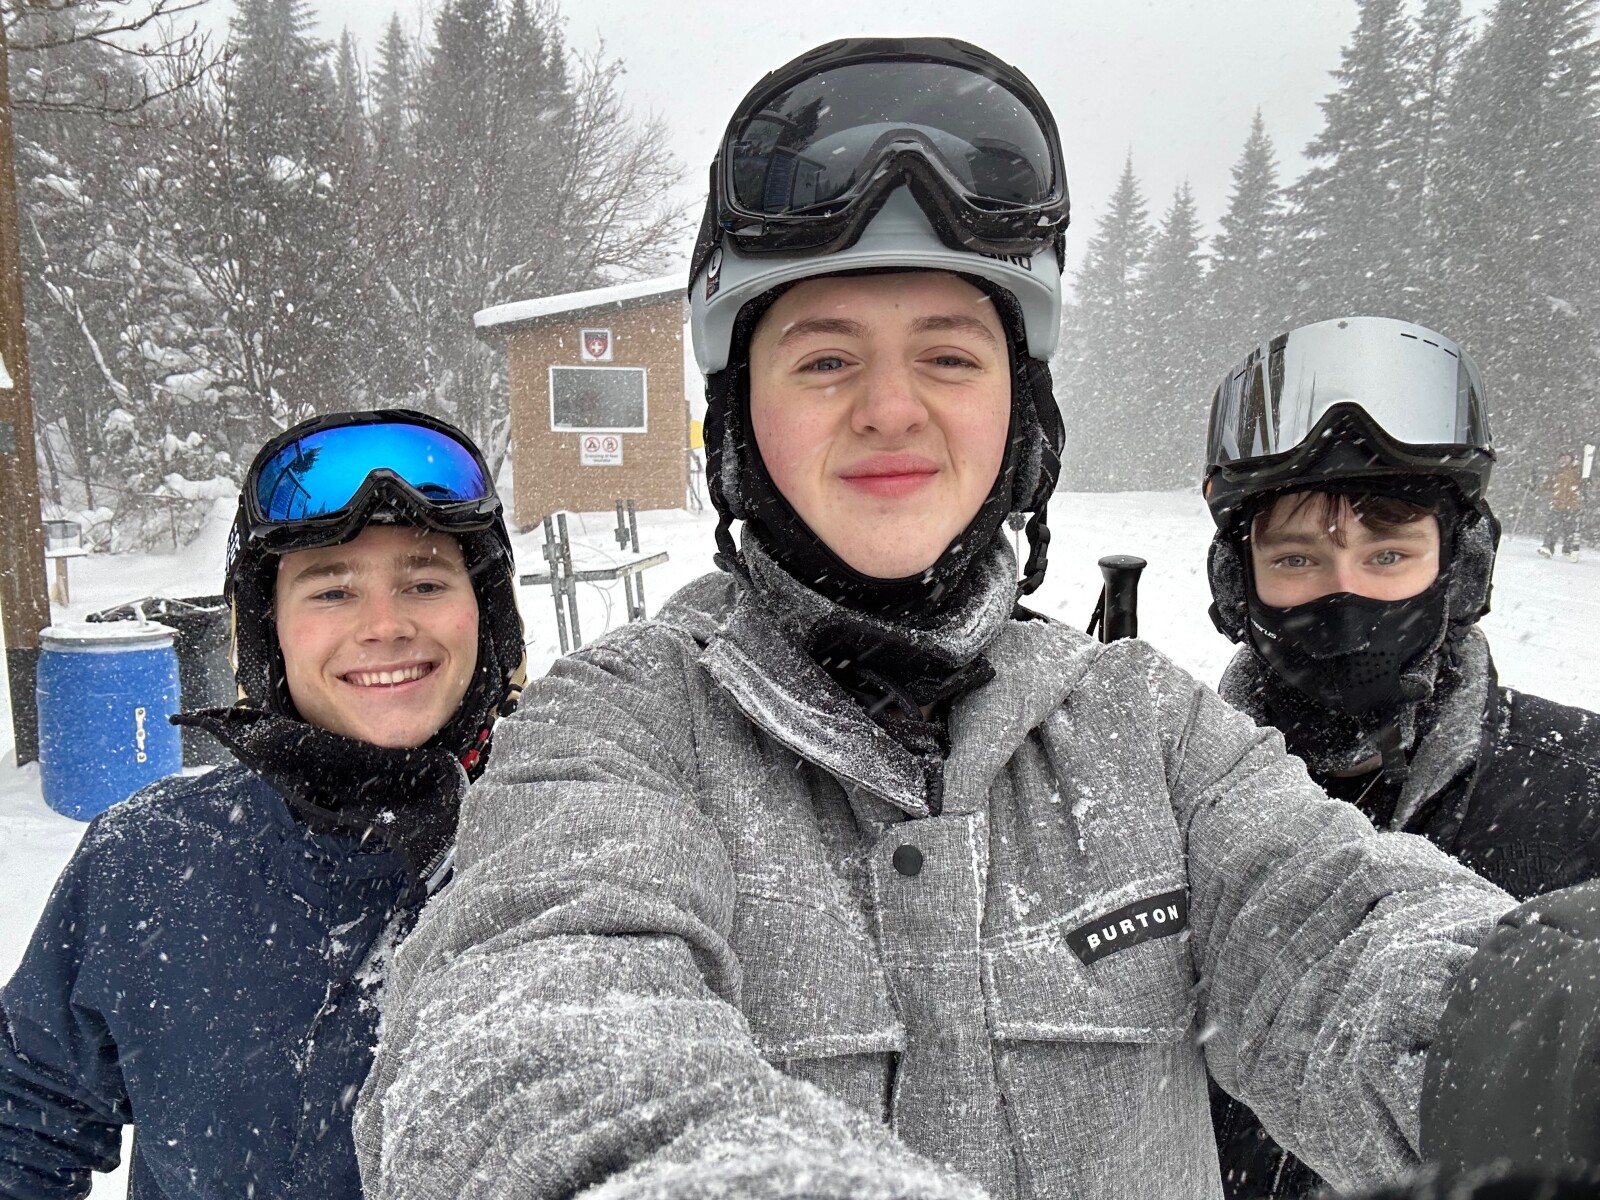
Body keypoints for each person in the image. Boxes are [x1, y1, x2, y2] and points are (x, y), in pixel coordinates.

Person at [355, 40, 1513, 1200]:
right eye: (825, 359)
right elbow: (525, 1036)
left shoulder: (1147, 732)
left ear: (1021, 414)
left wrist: (1538, 1044)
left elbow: (1336, 935)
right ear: (740, 416)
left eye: (949, 356)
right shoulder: (619, 729)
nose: (891, 408)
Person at [0, 409, 525, 1199]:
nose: (385, 626)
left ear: (486, 610)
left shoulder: (579, 849)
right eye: (332, 590)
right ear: (268, 629)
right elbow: (22, 1123)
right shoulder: (149, 860)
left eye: (424, 582)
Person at [1199, 318, 1600, 1199]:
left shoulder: (1583, 790)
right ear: (1239, 585)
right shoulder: (1172, 802)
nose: (1345, 595)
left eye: (1388, 554)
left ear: (1462, 569)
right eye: (1297, 558)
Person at [1538, 450, 1584, 561]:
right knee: (1551, 527)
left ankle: (1568, 549)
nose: (1563, 460)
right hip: (1557, 504)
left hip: (1572, 505)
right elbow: (1548, 486)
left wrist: (1586, 482)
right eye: (1561, 458)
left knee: (1569, 529)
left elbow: (1585, 484)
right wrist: (1536, 485)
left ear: (1571, 459)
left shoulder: (1577, 471)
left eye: (1566, 457)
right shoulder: (1556, 471)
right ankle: (1548, 547)